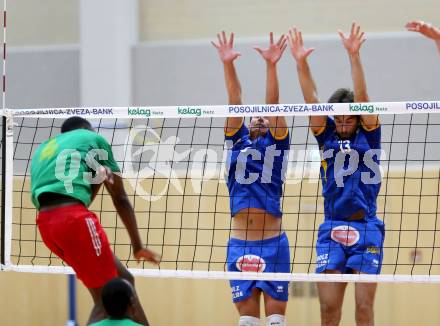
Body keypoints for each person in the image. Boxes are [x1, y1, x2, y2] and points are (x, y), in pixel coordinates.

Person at [288, 23, 384, 326]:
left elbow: (365, 97)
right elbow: (311, 100)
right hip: (332, 227)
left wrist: (354, 56)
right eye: (337, 116)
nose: (342, 121)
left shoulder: (369, 133)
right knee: (328, 309)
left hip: (366, 226)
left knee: (364, 308)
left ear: (356, 116)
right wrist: (301, 62)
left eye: (348, 116)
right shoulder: (325, 134)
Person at [31, 116, 159, 325]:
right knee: (105, 300)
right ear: (87, 129)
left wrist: (97, 182)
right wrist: (138, 246)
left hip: (47, 225)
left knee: (124, 281)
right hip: (73, 220)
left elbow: (73, 200)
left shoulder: (45, 149)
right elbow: (120, 198)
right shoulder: (93, 138)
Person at [212, 31, 290, 326]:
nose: (259, 117)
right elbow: (234, 100)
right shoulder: (235, 142)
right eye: (253, 115)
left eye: (263, 116)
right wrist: (228, 64)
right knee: (247, 322)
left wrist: (272, 65)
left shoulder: (278, 145)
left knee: (275, 322)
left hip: (273, 243)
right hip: (240, 244)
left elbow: (273, 103)